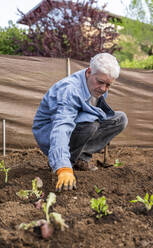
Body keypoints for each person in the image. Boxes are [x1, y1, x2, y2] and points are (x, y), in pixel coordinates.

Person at [32, 53, 128, 192]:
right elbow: (62, 127)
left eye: (108, 85)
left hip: (78, 125)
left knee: (120, 119)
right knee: (90, 123)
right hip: (50, 134)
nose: (103, 89)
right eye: (100, 82)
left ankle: (80, 158)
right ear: (89, 72)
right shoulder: (70, 90)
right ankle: (65, 162)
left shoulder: (96, 86)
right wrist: (63, 167)